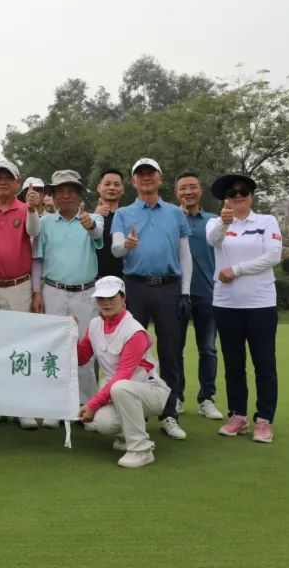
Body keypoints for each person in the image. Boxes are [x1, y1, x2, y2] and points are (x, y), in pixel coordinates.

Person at [110, 158, 192, 441]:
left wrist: (185, 292)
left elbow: (185, 255)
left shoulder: (175, 213)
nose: (146, 178)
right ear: (133, 181)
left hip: (168, 288)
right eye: (140, 174)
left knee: (170, 353)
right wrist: (126, 244)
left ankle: (169, 413)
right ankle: (134, 414)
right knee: (132, 353)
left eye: (151, 173)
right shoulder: (123, 213)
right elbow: (116, 249)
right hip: (135, 287)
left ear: (160, 178)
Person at [206, 173, 282, 443]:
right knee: (234, 364)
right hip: (226, 304)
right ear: (226, 199)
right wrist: (224, 222)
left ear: (251, 196)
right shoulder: (216, 223)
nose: (238, 196)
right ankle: (238, 415)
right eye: (232, 193)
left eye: (243, 192)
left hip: (260, 304)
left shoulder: (266, 221)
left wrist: (236, 270)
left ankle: (264, 419)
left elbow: (273, 256)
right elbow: (213, 240)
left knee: (264, 364)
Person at [0, 160, 42, 429]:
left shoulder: (25, 210)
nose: (2, 182)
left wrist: (33, 209)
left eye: (7, 178)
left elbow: (33, 232)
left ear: (17, 182)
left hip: (18, 286)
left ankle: (21, 406)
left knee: (19, 346)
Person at [78, 276, 172, 469]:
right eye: (101, 298)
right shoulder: (95, 325)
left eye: (111, 297)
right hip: (120, 391)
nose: (106, 302)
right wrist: (70, 336)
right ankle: (126, 437)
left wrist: (92, 404)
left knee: (120, 386)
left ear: (123, 298)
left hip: (150, 391)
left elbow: (123, 375)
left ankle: (141, 449)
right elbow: (81, 358)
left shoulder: (134, 331)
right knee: (104, 423)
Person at [35, 170, 104, 405]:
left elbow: (97, 233)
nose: (65, 195)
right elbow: (38, 259)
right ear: (53, 196)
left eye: (70, 191)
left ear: (78, 194)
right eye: (60, 191)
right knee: (52, 347)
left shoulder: (94, 218)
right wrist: (36, 291)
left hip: (85, 292)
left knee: (84, 349)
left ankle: (86, 405)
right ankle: (52, 403)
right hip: (53, 291)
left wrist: (89, 224)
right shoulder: (45, 223)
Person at [174, 172, 223, 421]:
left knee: (208, 349)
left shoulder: (214, 221)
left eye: (192, 187)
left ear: (201, 191)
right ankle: (176, 396)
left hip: (208, 293)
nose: (188, 192)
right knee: (175, 349)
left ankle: (206, 398)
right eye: (183, 188)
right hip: (176, 294)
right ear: (176, 193)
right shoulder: (170, 219)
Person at [94, 168, 125, 279]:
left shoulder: (128, 217)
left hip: (124, 279)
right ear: (99, 187)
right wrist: (95, 216)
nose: (111, 188)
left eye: (116, 185)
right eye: (107, 184)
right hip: (94, 280)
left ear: (122, 189)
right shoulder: (88, 219)